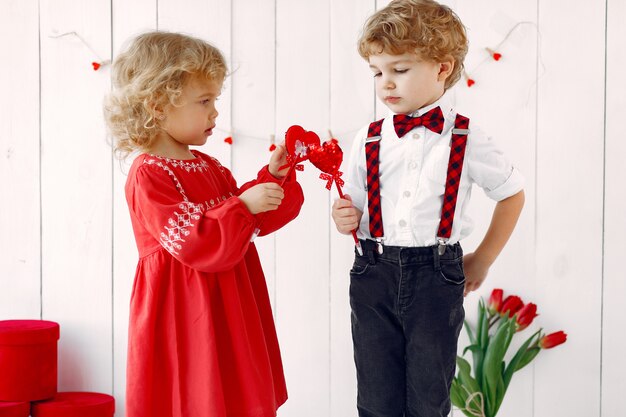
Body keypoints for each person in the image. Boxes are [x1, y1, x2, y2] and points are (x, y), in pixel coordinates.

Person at [331, 1, 525, 416]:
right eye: (377, 72)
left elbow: (511, 194)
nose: (386, 84)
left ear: (441, 68)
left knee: (428, 393)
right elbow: (351, 204)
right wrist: (341, 216)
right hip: (372, 272)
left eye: (399, 70)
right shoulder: (367, 138)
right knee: (376, 397)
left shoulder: (466, 138)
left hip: (436, 277)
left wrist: (483, 259)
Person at [104, 31, 303, 417]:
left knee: (233, 389)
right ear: (158, 105)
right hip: (185, 308)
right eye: (204, 101)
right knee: (196, 392)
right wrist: (243, 205)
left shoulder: (208, 166)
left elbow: (244, 223)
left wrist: (272, 180)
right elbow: (195, 242)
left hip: (228, 301)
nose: (215, 113)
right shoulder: (149, 173)